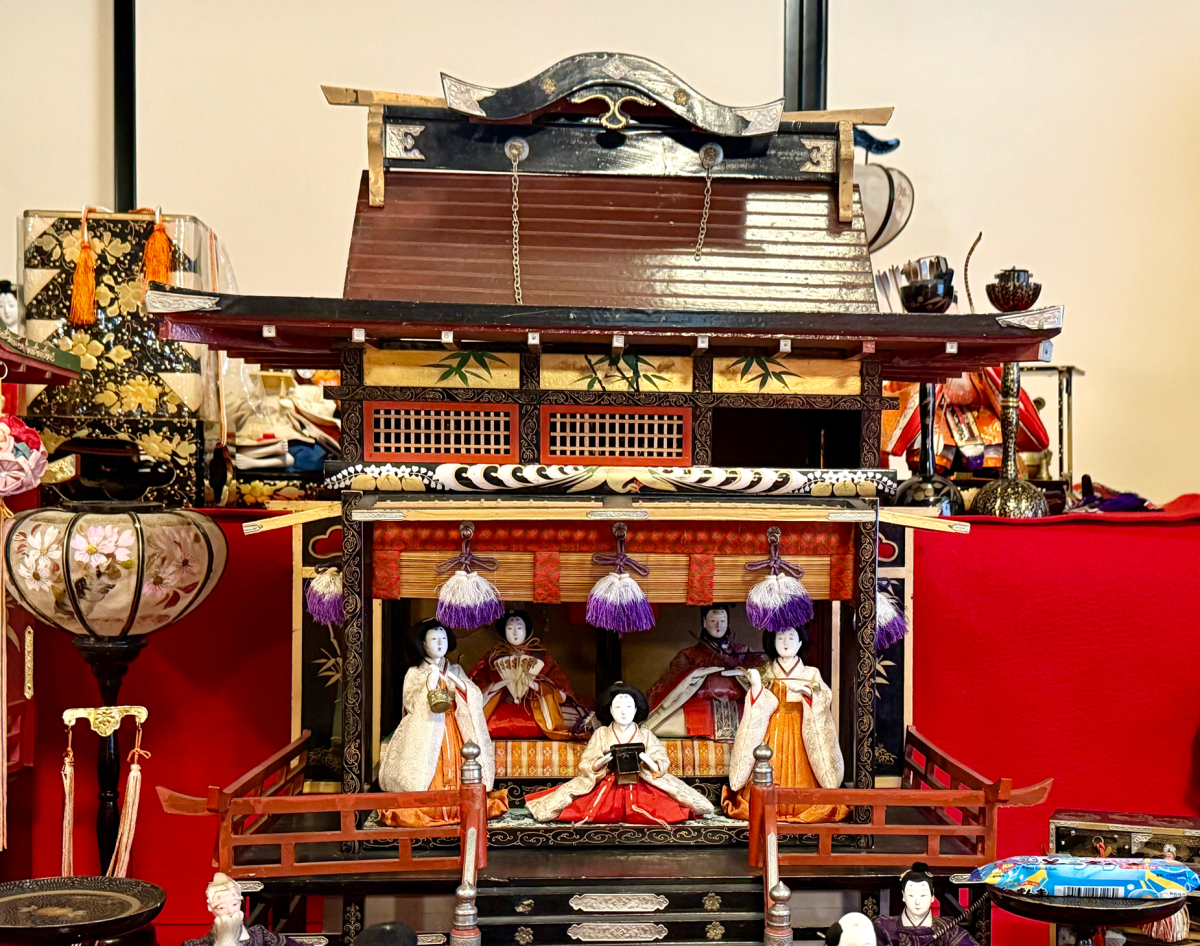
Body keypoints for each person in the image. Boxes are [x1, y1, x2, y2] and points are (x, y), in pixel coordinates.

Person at [377, 617, 508, 827]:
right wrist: (428, 686)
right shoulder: (415, 672)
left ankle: (457, 808)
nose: (440, 643)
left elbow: (474, 696)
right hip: (426, 727)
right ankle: (431, 808)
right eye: (434, 639)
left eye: (443, 638)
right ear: (422, 643)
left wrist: (460, 685)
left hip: (454, 726)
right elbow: (410, 703)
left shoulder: (455, 670)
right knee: (426, 771)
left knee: (461, 764)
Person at [525, 682, 715, 825]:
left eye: (628, 707)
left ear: (636, 709)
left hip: (643, 781)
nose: (623, 712)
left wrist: (648, 760)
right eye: (618, 707)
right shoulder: (602, 733)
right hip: (609, 781)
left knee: (665, 808)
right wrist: (600, 762)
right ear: (609, 709)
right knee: (584, 807)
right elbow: (587, 761)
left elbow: (661, 758)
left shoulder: (645, 734)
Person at [721, 625, 850, 824]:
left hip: (802, 729)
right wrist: (756, 686)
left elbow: (824, 696)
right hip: (772, 729)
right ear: (773, 642)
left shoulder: (811, 673)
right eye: (780, 638)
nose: (786, 642)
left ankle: (801, 805)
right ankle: (767, 807)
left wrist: (807, 692)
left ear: (800, 643)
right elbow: (759, 704)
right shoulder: (766, 672)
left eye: (791, 637)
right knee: (766, 768)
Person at [644, 605, 766, 741]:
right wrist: (695, 673)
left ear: (728, 623)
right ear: (704, 623)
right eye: (713, 621)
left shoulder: (743, 651)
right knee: (662, 725)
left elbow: (761, 664)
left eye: (723, 621)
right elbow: (676, 672)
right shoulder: (689, 654)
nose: (718, 626)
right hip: (702, 704)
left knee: (758, 719)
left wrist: (743, 671)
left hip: (738, 703)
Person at [468, 608, 592, 739]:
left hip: (534, 707)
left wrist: (536, 686)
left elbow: (561, 689)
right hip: (502, 706)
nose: (515, 633)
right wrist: (497, 686)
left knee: (541, 723)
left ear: (526, 629)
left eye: (519, 628)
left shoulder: (541, 656)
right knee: (488, 724)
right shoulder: (493, 657)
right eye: (510, 628)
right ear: (503, 631)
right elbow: (476, 687)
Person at [874, 863, 979, 946]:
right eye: (911, 895)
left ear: (932, 896)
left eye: (923, 895)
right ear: (903, 896)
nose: (917, 902)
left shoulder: (948, 928)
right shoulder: (884, 926)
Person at [183, 872, 297, 945]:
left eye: (234, 904)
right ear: (210, 908)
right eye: (221, 907)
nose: (230, 911)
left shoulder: (260, 935)